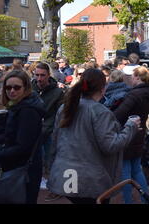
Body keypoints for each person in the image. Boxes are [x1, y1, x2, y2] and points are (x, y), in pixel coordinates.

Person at [47, 69, 140, 204]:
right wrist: (131, 127)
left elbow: (55, 140)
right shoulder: (99, 111)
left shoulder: (65, 108)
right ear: (103, 88)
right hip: (90, 178)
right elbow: (111, 145)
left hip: (65, 174)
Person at [113, 67, 149, 204]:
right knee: (137, 170)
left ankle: (128, 201)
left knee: (126, 173)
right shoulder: (148, 93)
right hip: (139, 134)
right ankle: (145, 200)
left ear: (138, 78)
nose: (131, 79)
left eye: (133, 77)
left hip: (128, 134)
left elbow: (119, 114)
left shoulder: (134, 95)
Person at [0, 70, 45, 204]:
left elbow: (23, 146)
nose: (12, 91)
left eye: (16, 87)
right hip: (19, 166)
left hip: (24, 169)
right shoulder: (17, 106)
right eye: (8, 87)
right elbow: (9, 135)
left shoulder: (28, 111)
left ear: (25, 88)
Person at [32, 62, 65, 202]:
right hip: (33, 131)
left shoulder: (57, 92)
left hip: (49, 131)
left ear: (48, 75)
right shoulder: (29, 88)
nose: (39, 78)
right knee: (35, 160)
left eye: (42, 75)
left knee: (52, 161)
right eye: (37, 75)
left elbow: (60, 113)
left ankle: (55, 189)